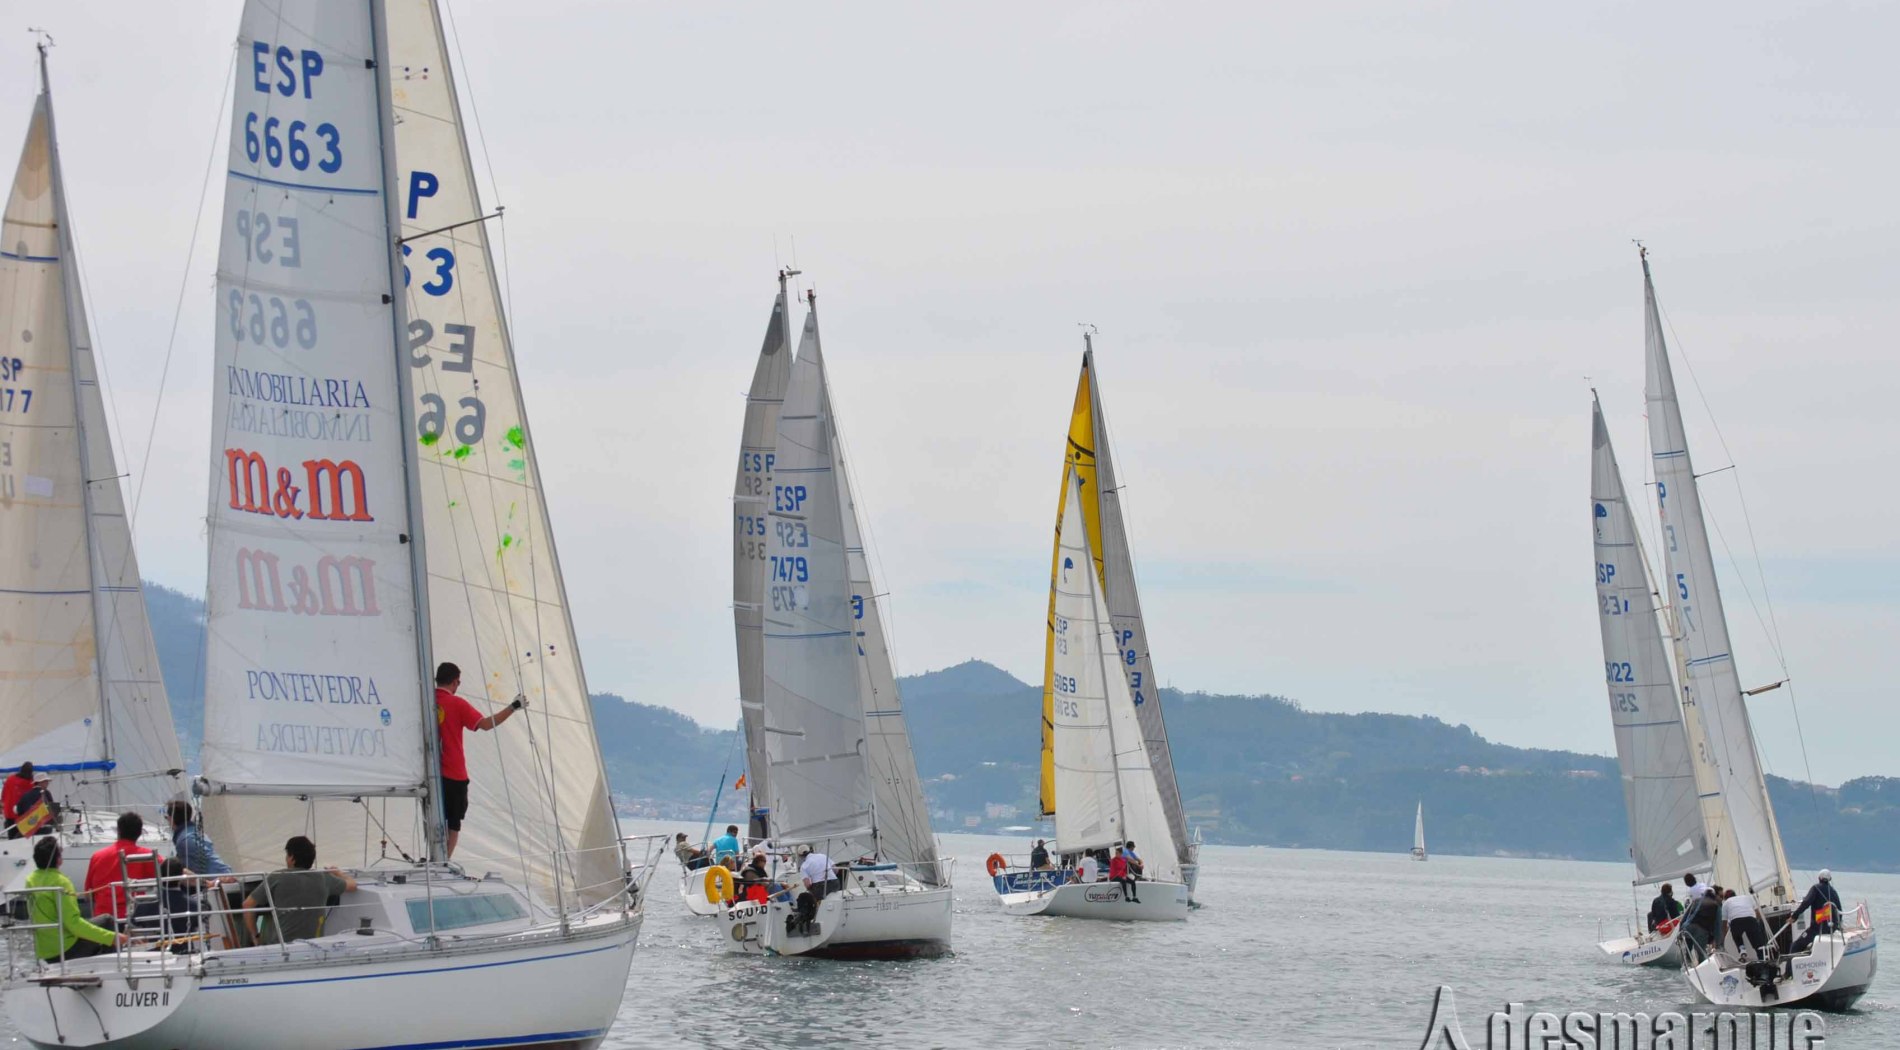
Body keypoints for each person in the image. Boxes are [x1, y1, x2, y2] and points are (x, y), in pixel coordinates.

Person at [433, 662, 526, 860]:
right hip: (453, 774)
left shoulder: (425, 700)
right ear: (454, 682)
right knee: (453, 824)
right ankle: (443, 863)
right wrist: (513, 706)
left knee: (433, 818)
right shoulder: (457, 704)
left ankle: (434, 860)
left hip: (428, 774)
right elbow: (485, 724)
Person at [26, 838, 124, 962]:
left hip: (46, 952)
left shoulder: (30, 880)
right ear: (58, 859)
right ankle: (110, 964)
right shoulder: (61, 882)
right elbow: (73, 924)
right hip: (66, 949)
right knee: (107, 920)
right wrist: (112, 937)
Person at [244, 836, 357, 944]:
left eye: (287, 855)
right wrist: (338, 872)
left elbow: (247, 904)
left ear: (292, 858)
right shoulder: (324, 878)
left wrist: (256, 936)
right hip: (314, 945)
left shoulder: (277, 877)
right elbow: (353, 885)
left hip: (281, 946)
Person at [84, 812, 158, 929]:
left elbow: (88, 894)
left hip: (103, 922)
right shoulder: (146, 856)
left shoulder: (97, 856)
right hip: (133, 919)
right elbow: (171, 869)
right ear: (139, 833)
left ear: (118, 830)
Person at [1789, 870, 1844, 955]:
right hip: (1831, 929)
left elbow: (1806, 903)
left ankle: (1791, 963)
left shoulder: (1815, 888)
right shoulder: (1834, 891)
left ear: (1819, 878)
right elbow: (1839, 911)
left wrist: (1794, 916)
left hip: (1817, 929)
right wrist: (1837, 926)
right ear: (1830, 879)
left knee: (1795, 946)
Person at [1720, 889, 1769, 962]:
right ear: (1735, 894)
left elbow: (1724, 923)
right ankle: (1762, 959)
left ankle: (1742, 949)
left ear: (1725, 898)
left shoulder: (1726, 903)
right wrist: (1756, 923)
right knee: (1757, 944)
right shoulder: (1747, 897)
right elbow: (1758, 913)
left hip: (1736, 922)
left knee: (1737, 936)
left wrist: (1724, 936)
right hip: (1750, 920)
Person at [13, 771, 56, 836]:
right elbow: (52, 808)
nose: (47, 783)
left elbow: (18, 810)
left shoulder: (26, 795)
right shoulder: (46, 793)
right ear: (40, 782)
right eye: (46, 781)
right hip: (44, 828)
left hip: (29, 828)